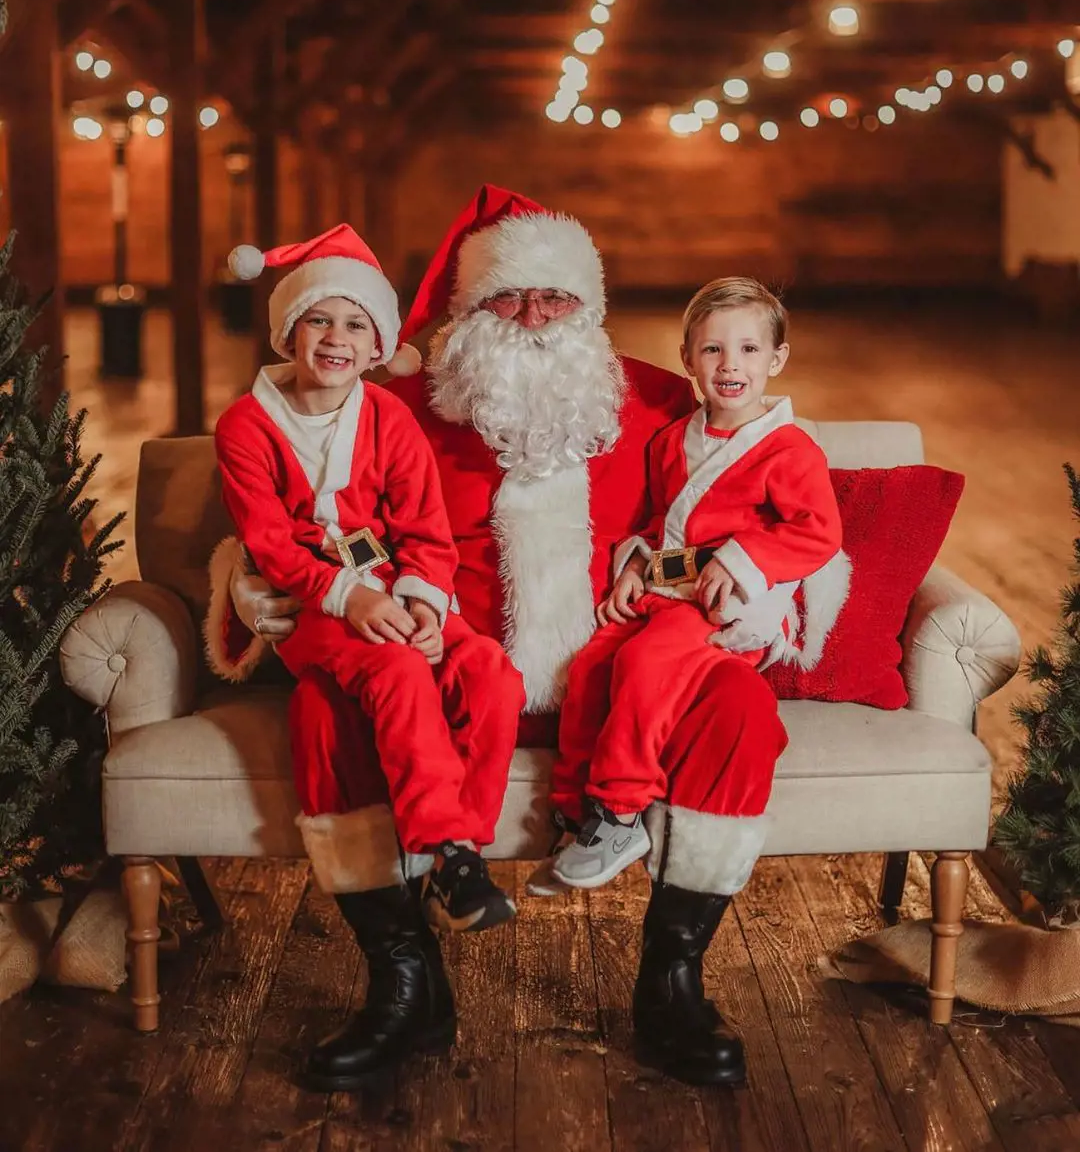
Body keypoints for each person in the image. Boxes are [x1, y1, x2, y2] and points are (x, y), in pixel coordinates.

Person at [208, 187, 849, 1087]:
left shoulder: (665, 399)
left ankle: (673, 980)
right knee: (324, 707)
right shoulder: (400, 407)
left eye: (557, 300)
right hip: (449, 656)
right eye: (508, 300)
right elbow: (299, 501)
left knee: (739, 703)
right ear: (466, 317)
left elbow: (768, 472)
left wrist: (760, 576)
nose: (535, 318)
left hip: (626, 661)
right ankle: (404, 983)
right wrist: (253, 584)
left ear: (590, 312)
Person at [212, 224, 525, 1089]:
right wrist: (356, 600)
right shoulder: (245, 425)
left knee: (492, 673)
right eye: (318, 322)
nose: (336, 340)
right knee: (388, 671)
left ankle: (458, 857)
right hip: (312, 604)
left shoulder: (389, 417)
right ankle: (446, 852)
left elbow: (426, 530)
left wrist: (425, 604)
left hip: (397, 586)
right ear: (288, 334)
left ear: (380, 343)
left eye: (356, 325)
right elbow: (272, 547)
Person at [548, 277, 844, 910]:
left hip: (726, 607)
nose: (729, 365)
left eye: (747, 350)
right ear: (687, 358)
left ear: (776, 360)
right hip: (665, 590)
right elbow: (661, 526)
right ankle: (574, 812)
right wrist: (632, 566)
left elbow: (817, 532)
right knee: (593, 663)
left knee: (644, 661)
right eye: (712, 351)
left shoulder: (790, 451)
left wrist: (743, 559)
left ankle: (619, 812)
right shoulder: (670, 442)